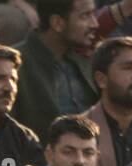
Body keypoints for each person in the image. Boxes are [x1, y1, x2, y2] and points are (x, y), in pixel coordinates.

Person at [11, 0, 96, 144]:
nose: (95, 24)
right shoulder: (15, 63)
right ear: (57, 23)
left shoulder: (86, 61)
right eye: (85, 16)